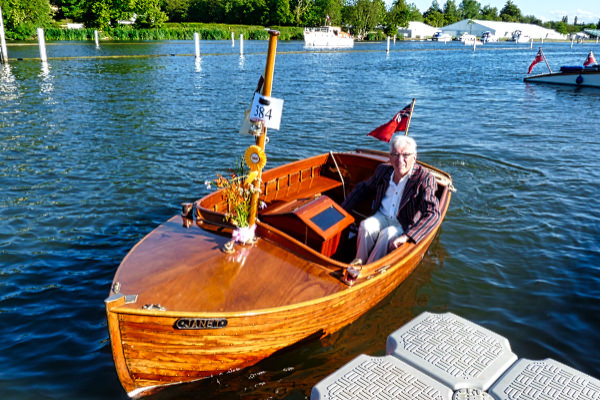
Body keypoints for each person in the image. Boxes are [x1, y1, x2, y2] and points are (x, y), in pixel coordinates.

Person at [341, 135, 440, 264]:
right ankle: (358, 263)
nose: (400, 160)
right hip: (382, 216)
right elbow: (363, 189)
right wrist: (342, 210)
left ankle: (369, 269)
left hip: (404, 222)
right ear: (390, 157)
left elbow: (433, 214)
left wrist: (407, 236)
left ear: (414, 157)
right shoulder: (383, 171)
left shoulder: (424, 179)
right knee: (366, 226)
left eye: (405, 155)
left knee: (387, 235)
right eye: (395, 155)